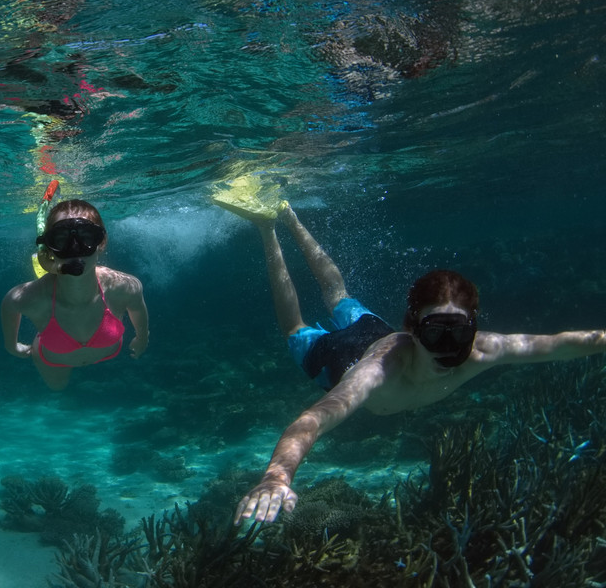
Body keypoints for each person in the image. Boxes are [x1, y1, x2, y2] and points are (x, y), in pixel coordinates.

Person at [215, 193, 606, 525]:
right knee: (294, 326)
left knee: (337, 291)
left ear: (475, 326)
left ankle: (288, 213)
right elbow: (312, 420)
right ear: (413, 328)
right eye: (437, 332)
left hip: (375, 329)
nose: (449, 347)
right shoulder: (377, 373)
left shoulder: (486, 349)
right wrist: (276, 476)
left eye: (459, 331)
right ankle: (267, 227)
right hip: (339, 357)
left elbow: (560, 343)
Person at [1, 198, 150, 390]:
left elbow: (137, 306)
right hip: (53, 361)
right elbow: (10, 304)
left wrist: (142, 336)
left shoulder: (124, 287)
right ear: (48, 248)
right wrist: (11, 345)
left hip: (98, 354)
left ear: (101, 242)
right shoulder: (32, 297)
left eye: (86, 237)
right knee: (57, 389)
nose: (74, 250)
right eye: (62, 239)